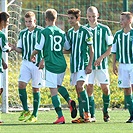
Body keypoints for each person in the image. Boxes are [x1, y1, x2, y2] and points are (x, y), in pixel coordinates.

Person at [30, 8, 77, 124]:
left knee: (53, 91)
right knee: (57, 85)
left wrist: (32, 55)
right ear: (55, 19)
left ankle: (60, 116)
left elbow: (38, 48)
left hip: (51, 65)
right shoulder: (61, 32)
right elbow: (67, 48)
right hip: (61, 64)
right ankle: (69, 101)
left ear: (46, 19)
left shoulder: (44, 32)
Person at [10, 11, 44, 122]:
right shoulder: (23, 33)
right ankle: (25, 110)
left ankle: (34, 114)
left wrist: (43, 60)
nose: (28, 23)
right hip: (25, 62)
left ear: (34, 21)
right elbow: (20, 49)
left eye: (30, 21)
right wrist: (14, 48)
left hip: (38, 63)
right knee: (21, 84)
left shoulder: (41, 31)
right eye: (26, 21)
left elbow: (45, 47)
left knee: (35, 88)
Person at [64, 8, 94, 123]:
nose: (70, 20)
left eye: (72, 18)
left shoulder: (86, 31)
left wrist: (90, 65)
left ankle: (87, 114)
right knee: (77, 89)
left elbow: (91, 50)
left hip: (83, 65)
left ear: (78, 18)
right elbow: (69, 50)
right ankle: (81, 116)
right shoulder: (70, 32)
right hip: (74, 66)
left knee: (80, 86)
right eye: (69, 18)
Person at [85, 6, 113, 122]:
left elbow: (110, 47)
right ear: (86, 16)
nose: (91, 19)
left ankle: (105, 110)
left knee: (105, 89)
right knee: (89, 88)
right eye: (89, 17)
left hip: (102, 65)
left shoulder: (105, 29)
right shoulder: (84, 29)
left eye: (94, 16)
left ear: (98, 15)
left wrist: (101, 58)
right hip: (88, 66)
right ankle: (92, 114)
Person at [112, 11, 133, 123]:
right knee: (126, 89)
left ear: (129, 21)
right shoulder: (118, 35)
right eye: (120, 19)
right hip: (123, 65)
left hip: (132, 64)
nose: (121, 22)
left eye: (123, 19)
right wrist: (114, 64)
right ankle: (131, 114)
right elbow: (114, 50)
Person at [0, 12, 12, 124]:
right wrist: (10, 47)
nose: (8, 24)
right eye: (7, 21)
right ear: (2, 21)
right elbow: (5, 49)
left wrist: (3, 61)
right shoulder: (1, 35)